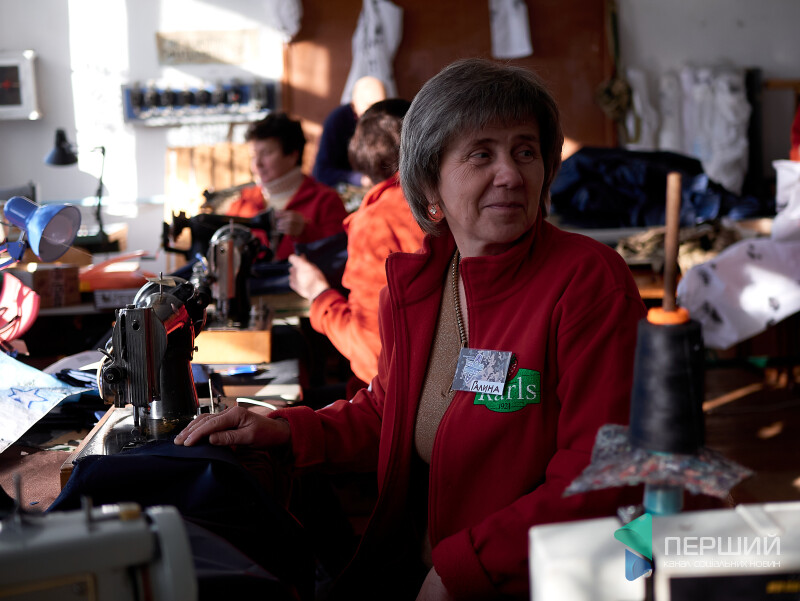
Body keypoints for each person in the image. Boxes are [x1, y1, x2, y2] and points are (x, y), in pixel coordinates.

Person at [176, 58, 647, 600]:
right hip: (421, 567)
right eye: (481, 154)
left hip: (528, 581)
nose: (511, 174)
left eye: (525, 151)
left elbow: (603, 471)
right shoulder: (421, 284)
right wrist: (286, 430)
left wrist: (460, 570)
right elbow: (390, 412)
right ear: (428, 185)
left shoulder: (587, 281)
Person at [288, 98, 425, 389]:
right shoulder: (445, 202)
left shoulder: (376, 221)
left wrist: (317, 293)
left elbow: (370, 351)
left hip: (401, 392)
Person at [227, 112, 348, 261]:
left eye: (266, 153)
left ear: (292, 155)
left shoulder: (325, 201)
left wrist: (306, 232)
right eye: (253, 155)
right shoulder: (244, 202)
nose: (257, 164)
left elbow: (340, 254)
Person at [311, 76, 387, 189]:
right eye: (370, 106)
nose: (377, 113)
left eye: (381, 106)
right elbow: (322, 172)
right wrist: (358, 179)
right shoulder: (337, 121)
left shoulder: (386, 118)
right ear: (354, 102)